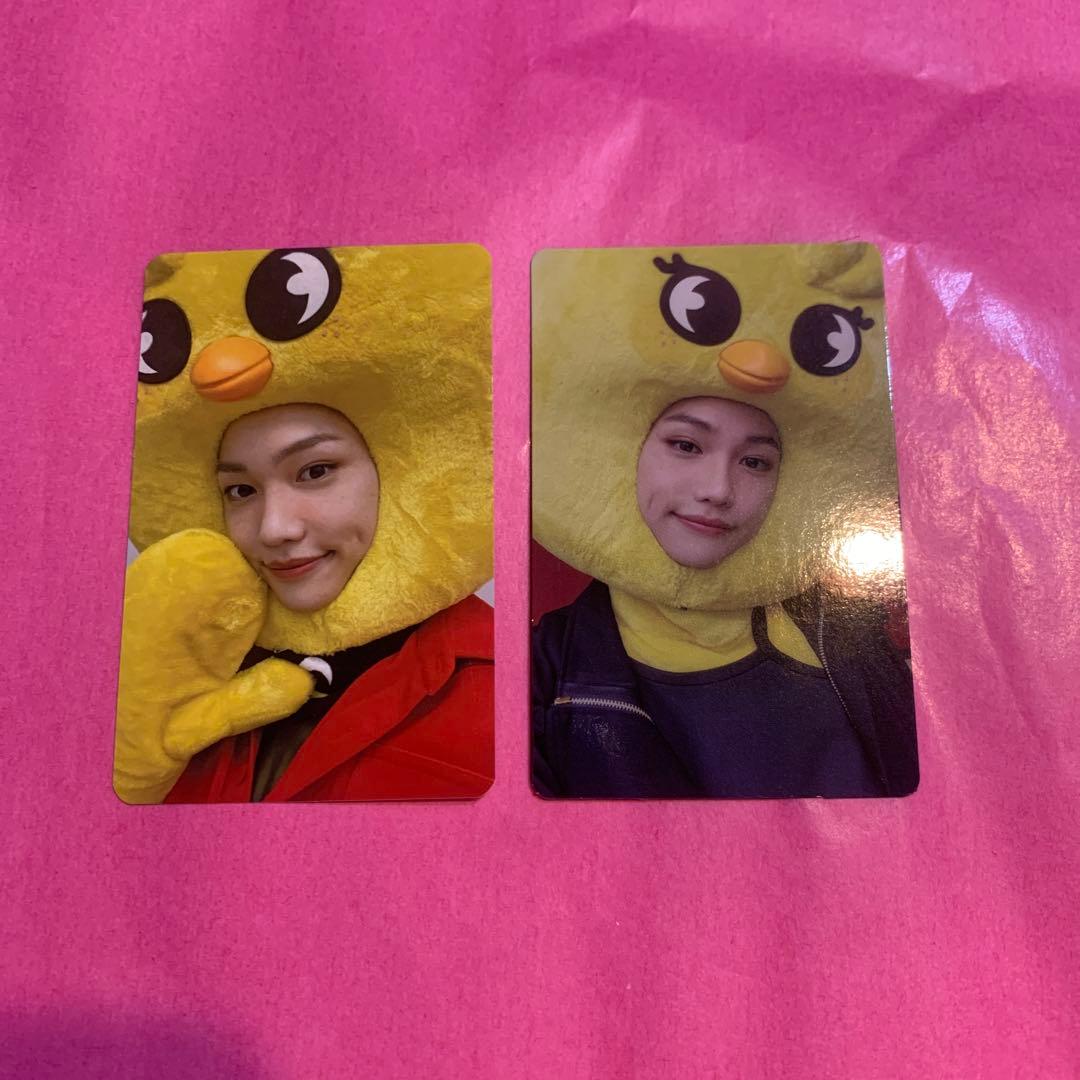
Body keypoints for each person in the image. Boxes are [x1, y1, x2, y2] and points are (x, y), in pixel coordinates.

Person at [530, 243, 918, 799]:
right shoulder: (539, 668)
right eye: (686, 445)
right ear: (629, 450)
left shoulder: (860, 633)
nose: (718, 490)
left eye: (755, 462)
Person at [114, 244, 493, 803]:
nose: (274, 530)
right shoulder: (173, 665)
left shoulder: (513, 686)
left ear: (396, 472)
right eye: (240, 490)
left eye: (315, 471)